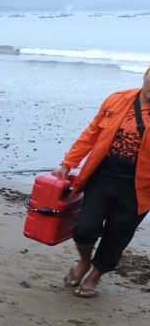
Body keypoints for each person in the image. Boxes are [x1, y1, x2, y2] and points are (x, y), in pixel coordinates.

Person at [55, 67, 150, 298]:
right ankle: (84, 261)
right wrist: (68, 163)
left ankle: (95, 276)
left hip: (140, 187)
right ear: (146, 76)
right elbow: (91, 134)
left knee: (117, 236)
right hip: (103, 175)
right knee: (84, 228)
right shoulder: (118, 100)